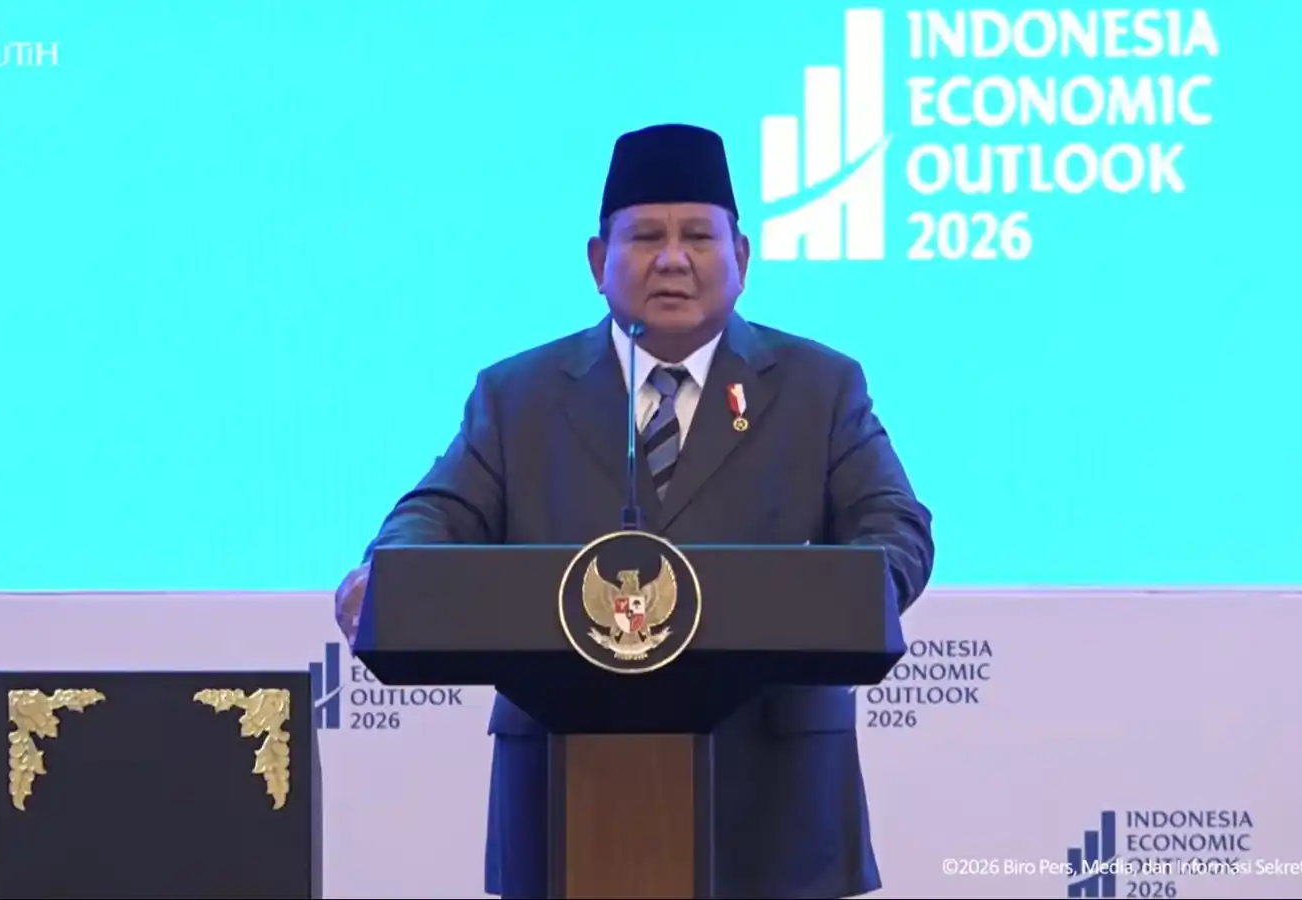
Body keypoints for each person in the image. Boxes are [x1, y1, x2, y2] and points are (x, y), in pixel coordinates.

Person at [334, 123, 935, 899]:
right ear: (598, 262)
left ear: (742, 258)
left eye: (698, 237)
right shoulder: (518, 395)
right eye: (647, 236)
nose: (673, 259)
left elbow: (894, 527)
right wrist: (388, 575)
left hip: (776, 795)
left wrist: (846, 594)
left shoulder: (819, 386)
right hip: (565, 791)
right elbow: (435, 516)